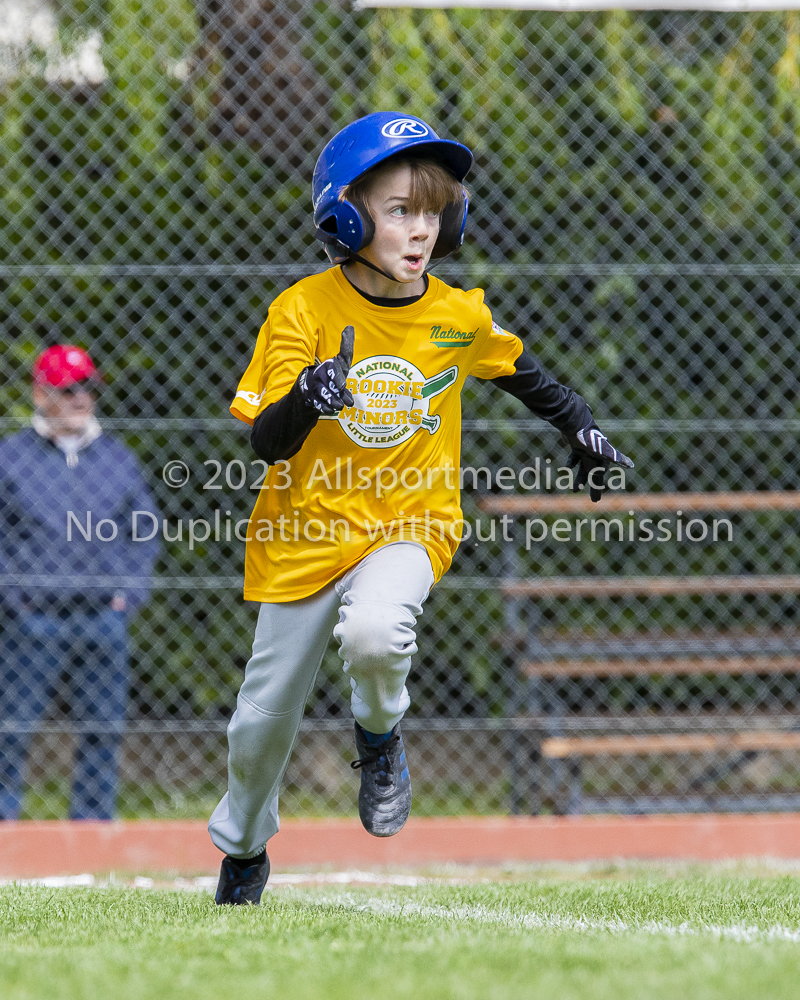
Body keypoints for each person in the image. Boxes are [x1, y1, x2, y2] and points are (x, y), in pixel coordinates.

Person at [210, 112, 633, 904]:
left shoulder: (455, 314)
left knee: (376, 632)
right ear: (344, 213)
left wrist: (582, 427)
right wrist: (307, 397)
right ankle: (243, 846)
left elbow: (524, 373)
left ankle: (379, 739)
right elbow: (267, 442)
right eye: (400, 209)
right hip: (302, 539)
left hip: (411, 526)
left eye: (435, 210)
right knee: (259, 728)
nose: (422, 229)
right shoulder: (302, 310)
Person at [0, 345, 160, 820]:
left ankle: (90, 831)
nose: (80, 398)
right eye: (68, 389)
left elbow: (144, 530)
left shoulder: (116, 458)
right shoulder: (11, 458)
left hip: (101, 616)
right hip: (32, 618)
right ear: (40, 393)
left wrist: (127, 595)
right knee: (11, 727)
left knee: (102, 728)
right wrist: (13, 597)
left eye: (87, 387)